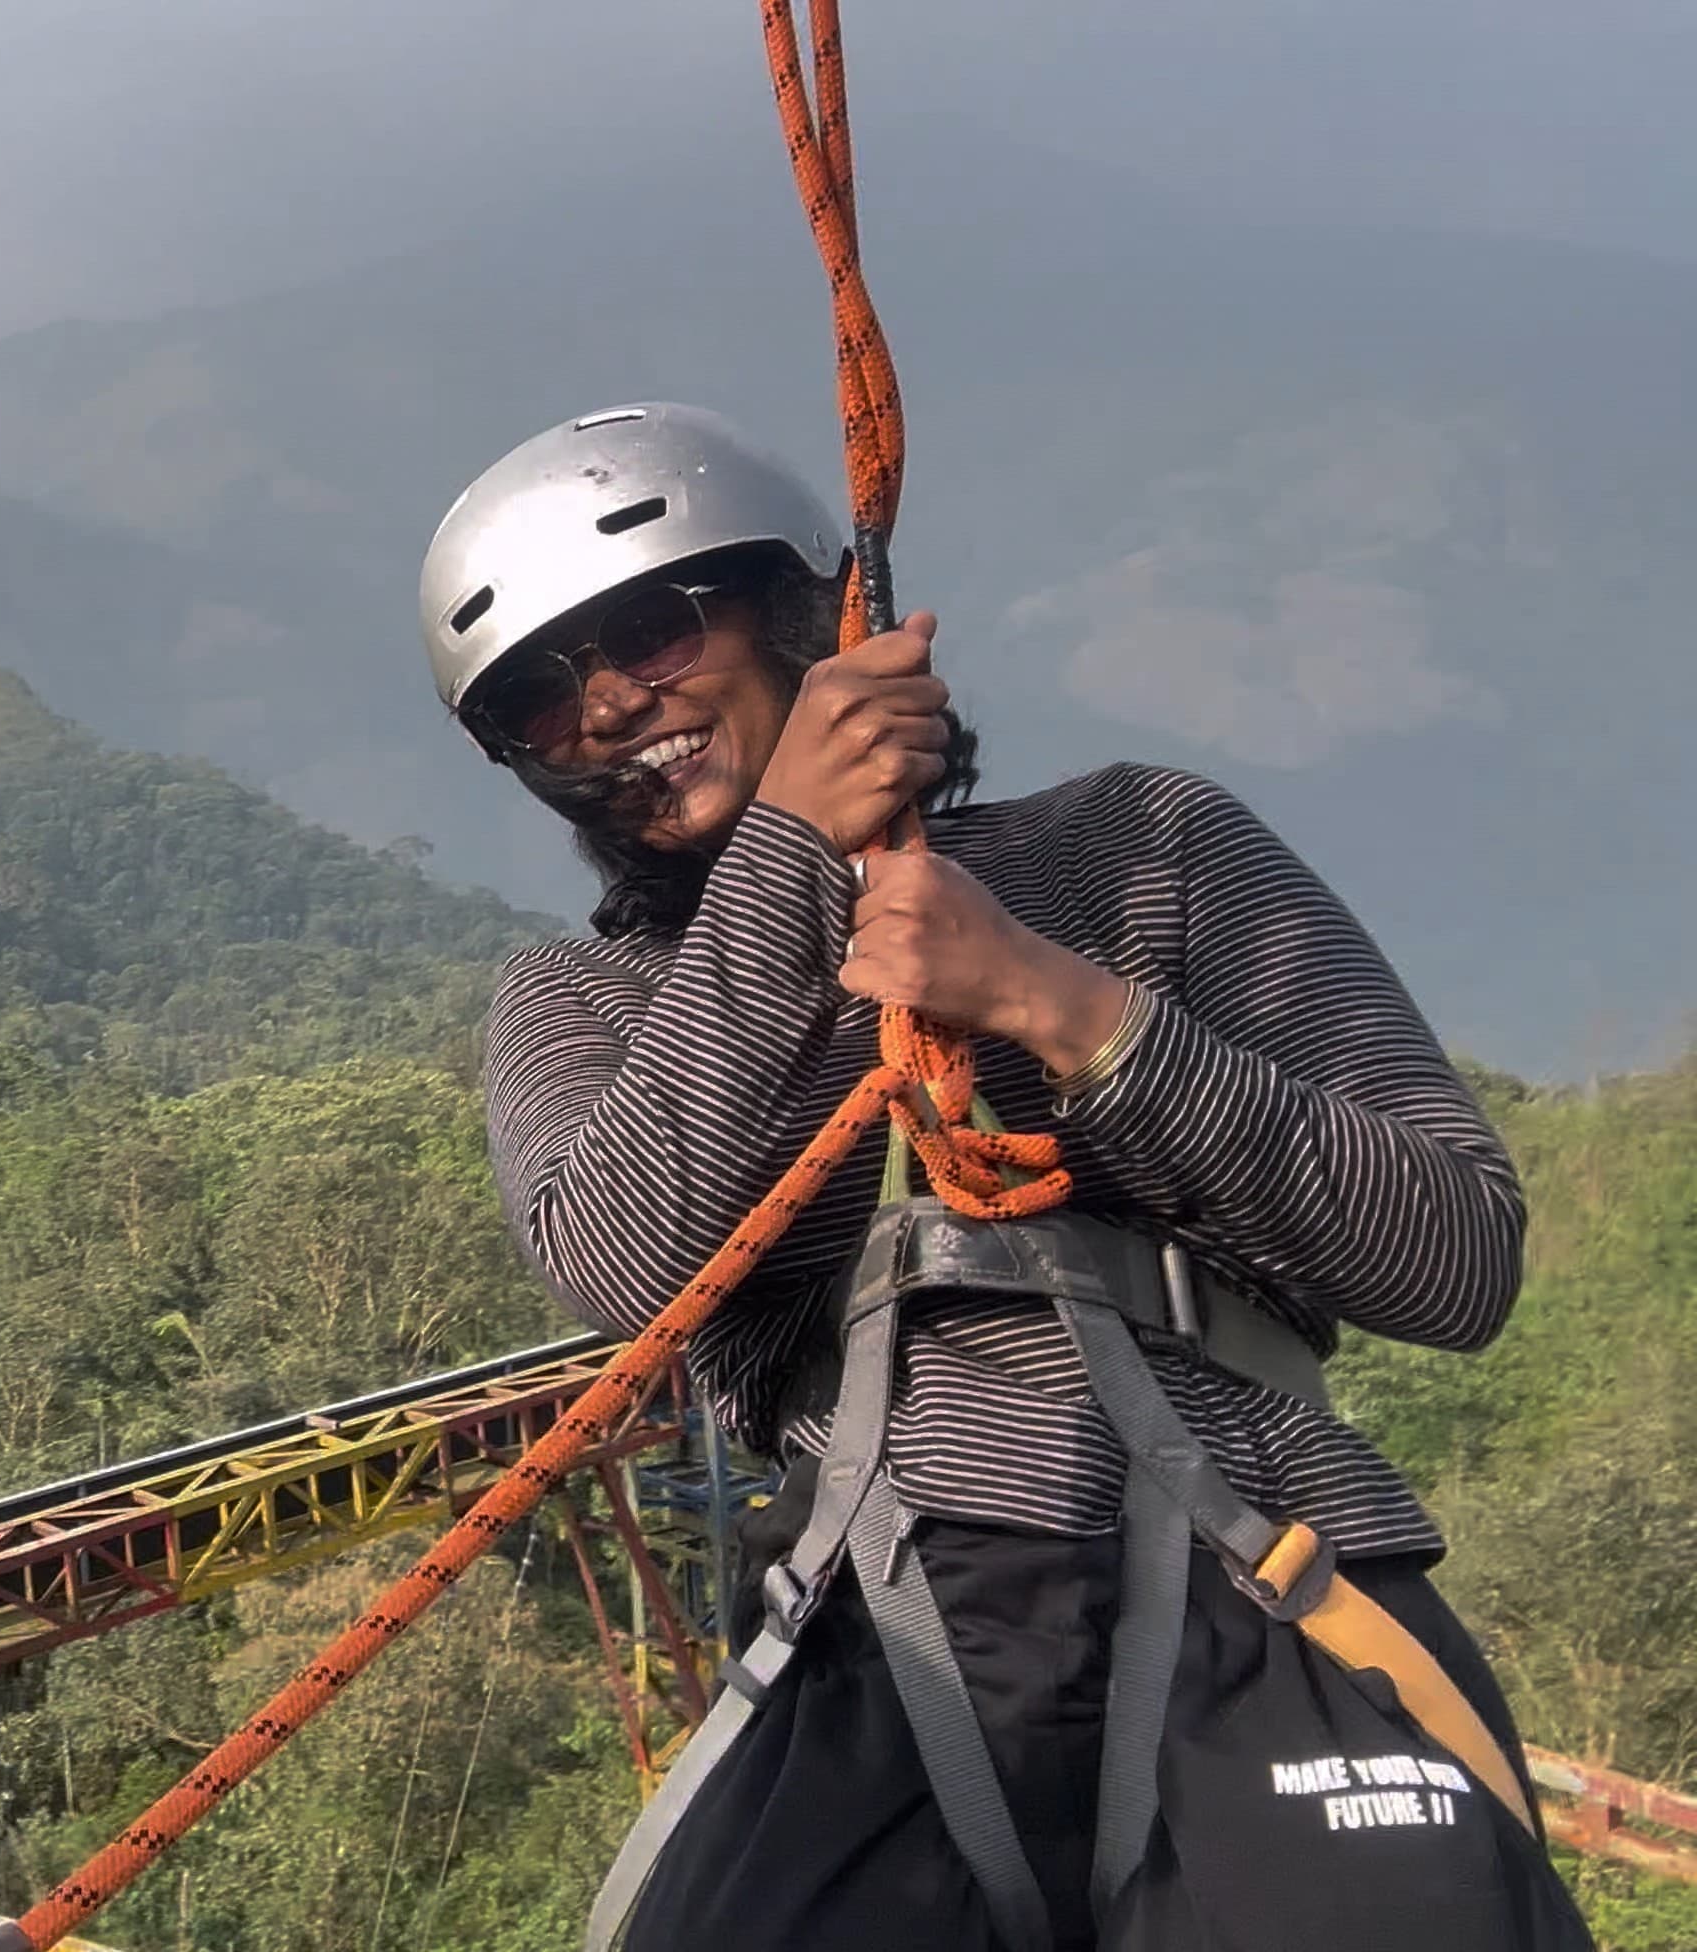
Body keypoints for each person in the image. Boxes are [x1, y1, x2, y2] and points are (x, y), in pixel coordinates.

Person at [422, 405, 1589, 1952]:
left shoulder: (1140, 845)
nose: (611, 705)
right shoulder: (589, 1003)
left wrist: (1062, 1005)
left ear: (796, 614)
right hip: (875, 1615)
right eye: (540, 700)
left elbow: (1453, 1256)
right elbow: (629, 1270)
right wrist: (791, 860)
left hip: (1261, 1560)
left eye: (650, 632)